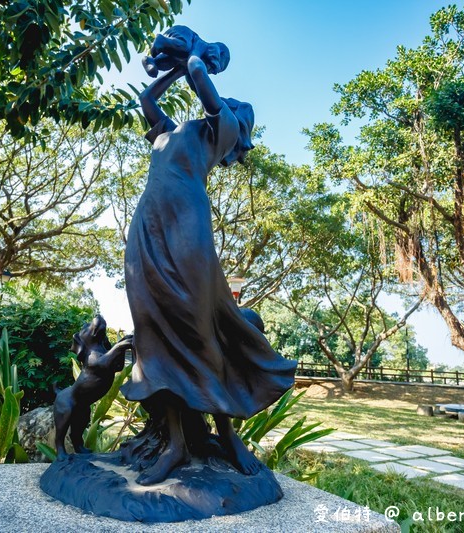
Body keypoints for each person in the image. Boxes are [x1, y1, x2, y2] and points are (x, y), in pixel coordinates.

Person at [121, 53, 297, 485]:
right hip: (147, 225)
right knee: (154, 335)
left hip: (186, 224)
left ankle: (229, 437)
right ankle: (176, 445)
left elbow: (200, 71)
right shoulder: (168, 132)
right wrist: (173, 69)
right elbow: (146, 97)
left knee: (199, 333)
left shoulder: (225, 128)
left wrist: (190, 58)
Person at [142, 25, 230, 79]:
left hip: (178, 55)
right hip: (186, 35)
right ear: (221, 54)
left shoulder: (196, 65)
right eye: (218, 67)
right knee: (185, 47)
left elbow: (195, 83)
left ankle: (151, 61)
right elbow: (212, 52)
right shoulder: (207, 48)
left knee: (168, 63)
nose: (214, 72)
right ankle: (162, 41)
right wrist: (215, 65)